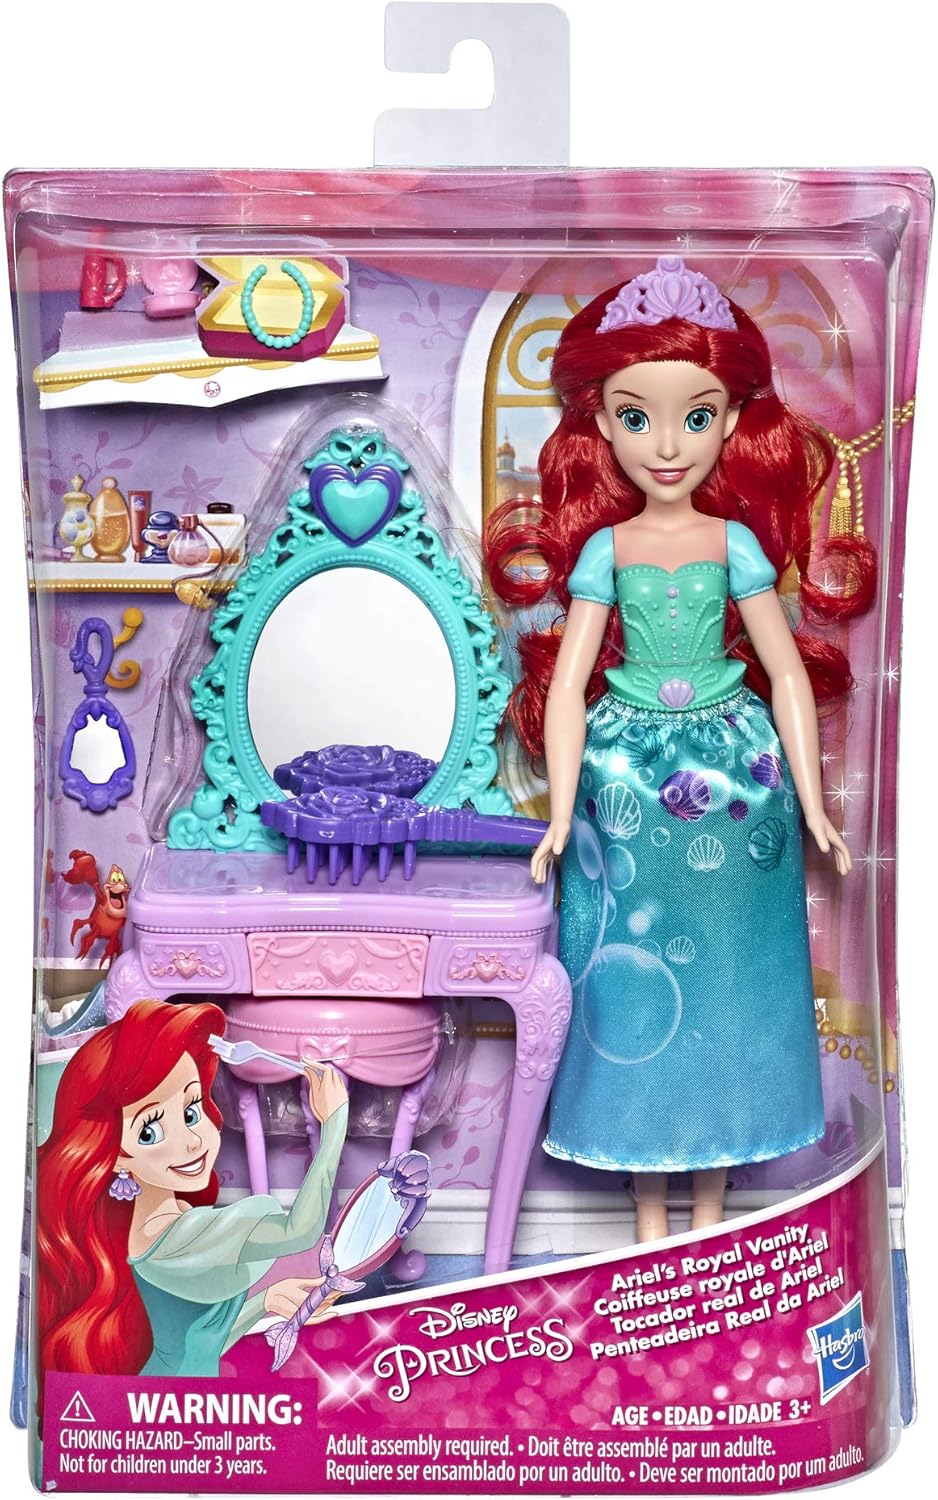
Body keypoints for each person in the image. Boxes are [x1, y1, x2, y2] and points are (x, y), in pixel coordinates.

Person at [485, 258, 874, 1240]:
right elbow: (568, 685)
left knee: (730, 986)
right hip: (624, 781)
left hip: (736, 779)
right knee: (625, 993)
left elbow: (784, 673)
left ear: (731, 421)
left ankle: (708, 1216)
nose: (666, 445)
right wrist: (560, 814)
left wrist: (815, 802)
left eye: (694, 417)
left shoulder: (733, 545)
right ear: (600, 422)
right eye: (637, 416)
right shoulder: (605, 551)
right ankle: (650, 1226)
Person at [37, 998, 347, 1393]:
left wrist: (266, 1301)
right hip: (166, 1404)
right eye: (150, 1131)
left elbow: (195, 1343)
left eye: (191, 1111)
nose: (192, 1141)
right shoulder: (179, 1234)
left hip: (171, 1402)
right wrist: (334, 1121)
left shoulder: (151, 1228)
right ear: (115, 1154)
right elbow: (298, 1232)